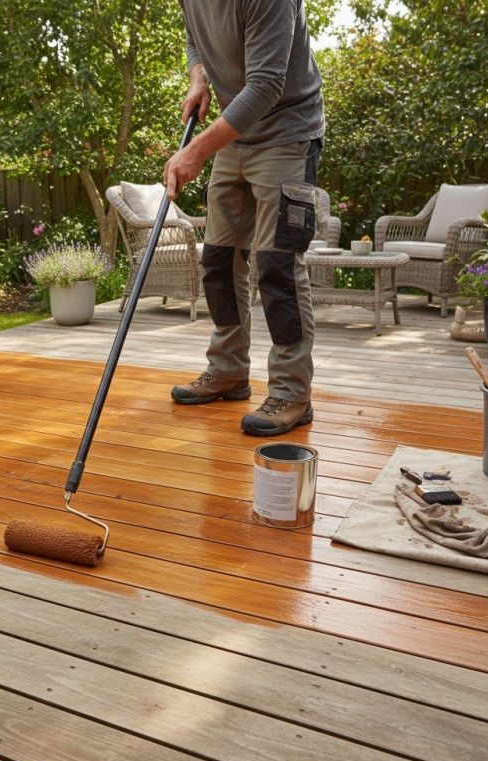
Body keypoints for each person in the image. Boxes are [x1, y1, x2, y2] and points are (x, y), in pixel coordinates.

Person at [164, 0, 325, 436]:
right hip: (235, 133)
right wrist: (198, 75)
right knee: (218, 257)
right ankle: (228, 369)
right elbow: (196, 37)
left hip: (287, 133)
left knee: (279, 265)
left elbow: (268, 85)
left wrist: (196, 150)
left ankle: (292, 393)